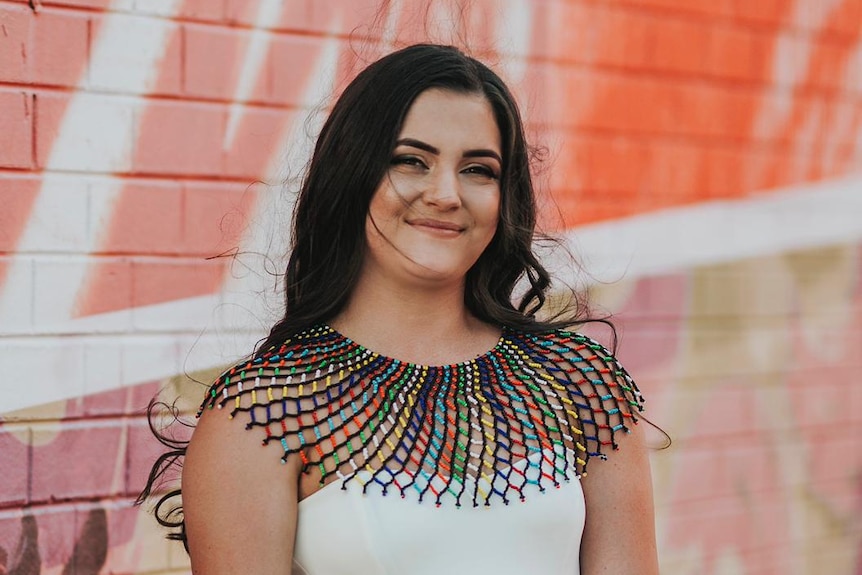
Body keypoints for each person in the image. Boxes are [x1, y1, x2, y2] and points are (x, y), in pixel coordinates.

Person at [140, 43, 659, 574]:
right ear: (354, 173)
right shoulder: (265, 412)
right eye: (411, 161)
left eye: (478, 169)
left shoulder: (578, 381)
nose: (445, 193)